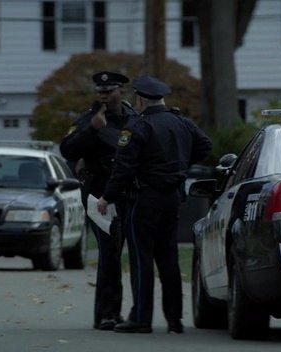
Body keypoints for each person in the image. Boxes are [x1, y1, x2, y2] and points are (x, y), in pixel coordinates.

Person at [97, 75, 213, 334]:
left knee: (141, 258)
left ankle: (141, 318)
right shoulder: (182, 123)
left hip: (144, 198)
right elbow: (205, 145)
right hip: (172, 197)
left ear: (140, 100)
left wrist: (107, 197)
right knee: (168, 258)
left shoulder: (138, 127)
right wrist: (180, 163)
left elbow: (124, 168)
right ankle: (174, 320)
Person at [60, 71, 137, 331]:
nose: (104, 95)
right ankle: (107, 313)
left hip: (129, 192)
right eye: (100, 91)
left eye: (110, 90)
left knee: (127, 251)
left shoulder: (134, 120)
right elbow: (68, 150)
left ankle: (133, 312)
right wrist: (92, 129)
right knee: (109, 251)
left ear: (121, 92)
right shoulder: (87, 120)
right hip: (99, 195)